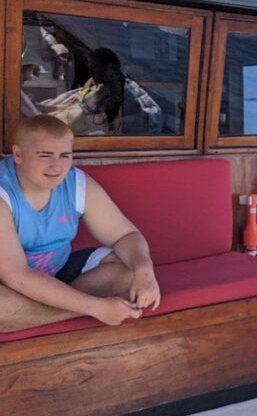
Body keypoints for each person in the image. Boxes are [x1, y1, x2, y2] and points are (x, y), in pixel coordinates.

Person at [0, 115, 160, 333]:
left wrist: (145, 271)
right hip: (12, 284)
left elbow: (125, 235)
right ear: (18, 154)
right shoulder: (3, 193)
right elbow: (16, 275)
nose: (56, 166)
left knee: (128, 271)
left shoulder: (76, 183)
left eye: (65, 155)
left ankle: (40, 312)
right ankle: (73, 309)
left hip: (59, 270)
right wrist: (96, 307)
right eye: (45, 155)